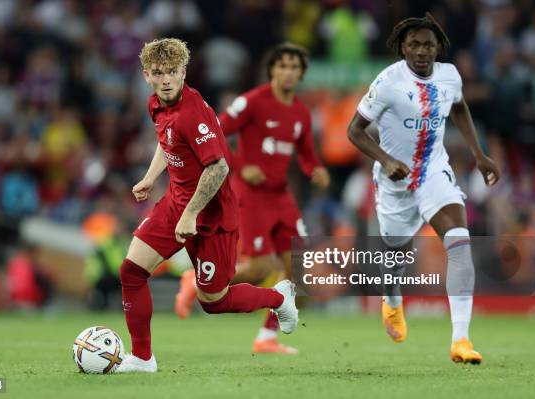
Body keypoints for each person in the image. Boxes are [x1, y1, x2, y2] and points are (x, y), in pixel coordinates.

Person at [117, 38, 298, 373]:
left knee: (213, 301)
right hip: (175, 204)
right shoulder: (156, 104)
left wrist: (191, 214)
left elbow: (218, 167)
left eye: (173, 71)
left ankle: (278, 298)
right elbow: (166, 141)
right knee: (131, 272)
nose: (166, 79)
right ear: (146, 75)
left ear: (184, 71)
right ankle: (142, 359)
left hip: (212, 216)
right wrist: (150, 177)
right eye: (158, 73)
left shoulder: (192, 113)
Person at [347, 13, 500, 364]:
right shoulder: (387, 82)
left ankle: (460, 340)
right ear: (402, 46)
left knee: (460, 243)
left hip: (433, 171)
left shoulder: (450, 76)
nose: (420, 51)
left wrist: (479, 154)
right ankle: (392, 299)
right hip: (394, 181)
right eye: (413, 44)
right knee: (395, 257)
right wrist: (386, 161)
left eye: (428, 45)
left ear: (438, 48)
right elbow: (354, 131)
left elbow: (459, 107)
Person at [175, 43, 330, 354]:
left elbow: (307, 155)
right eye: (282, 65)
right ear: (271, 70)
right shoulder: (252, 102)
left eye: (294, 67)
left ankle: (266, 338)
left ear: (301, 74)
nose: (288, 72)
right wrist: (242, 168)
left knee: (298, 274)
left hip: (281, 197)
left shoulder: (301, 112)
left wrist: (316, 170)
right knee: (261, 268)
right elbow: (214, 131)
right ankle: (196, 280)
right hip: (250, 197)